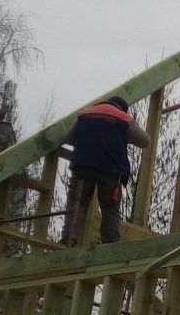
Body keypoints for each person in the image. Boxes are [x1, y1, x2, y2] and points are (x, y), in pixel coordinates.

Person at [62, 94, 148, 245]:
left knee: (78, 203)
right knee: (109, 209)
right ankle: (110, 244)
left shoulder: (85, 114)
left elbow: (68, 138)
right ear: (122, 109)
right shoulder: (124, 118)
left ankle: (70, 240)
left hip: (83, 166)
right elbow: (145, 140)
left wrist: (90, 140)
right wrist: (123, 137)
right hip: (110, 170)